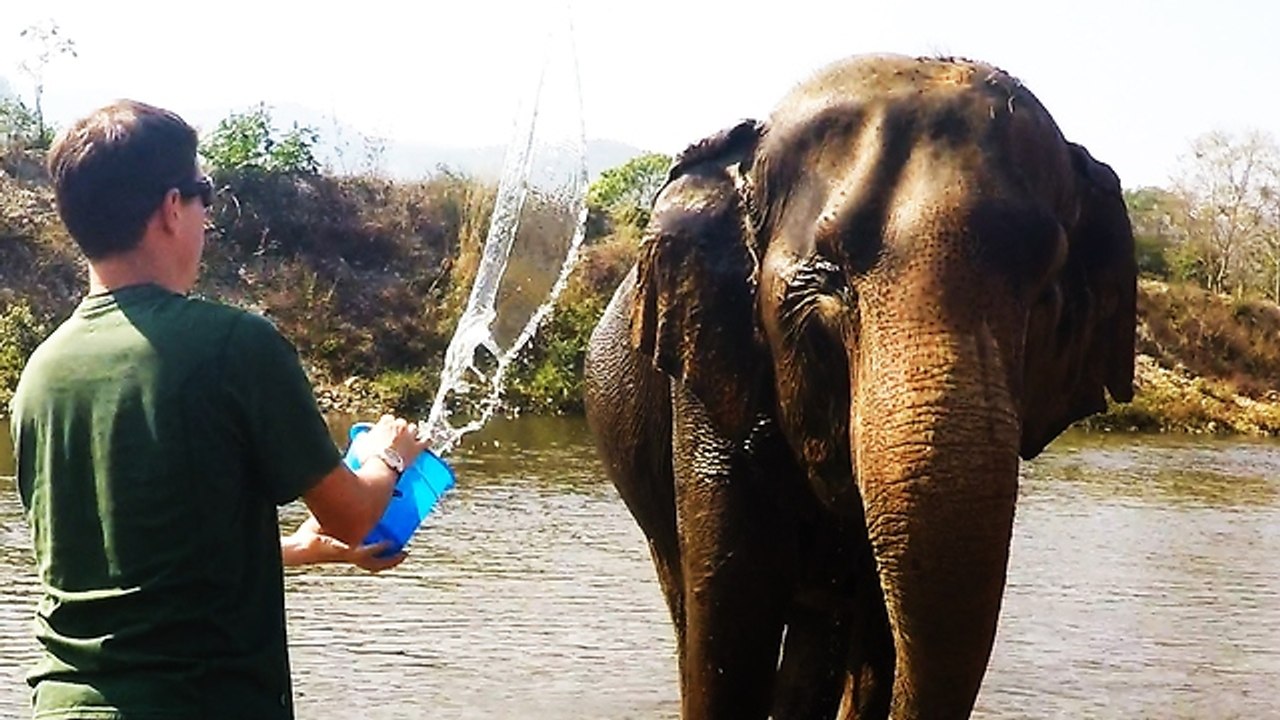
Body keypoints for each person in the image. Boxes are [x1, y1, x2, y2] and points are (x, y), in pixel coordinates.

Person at [8, 99, 431, 719]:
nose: (207, 213)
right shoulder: (236, 346)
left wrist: (306, 551)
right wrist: (389, 455)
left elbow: (125, 575)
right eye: (203, 193)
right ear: (172, 208)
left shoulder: (40, 375)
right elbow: (353, 515)